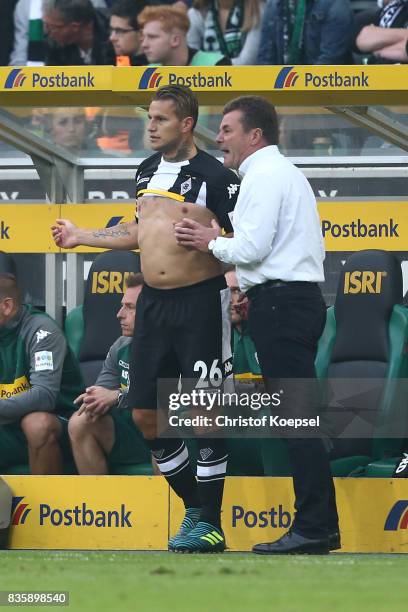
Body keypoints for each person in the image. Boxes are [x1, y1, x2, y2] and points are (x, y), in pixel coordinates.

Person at [51, 84, 240, 553]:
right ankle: (199, 510)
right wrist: (82, 236)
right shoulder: (145, 171)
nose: (150, 127)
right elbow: (138, 231)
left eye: (160, 119)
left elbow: (243, 241)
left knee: (204, 412)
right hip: (154, 303)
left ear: (187, 124)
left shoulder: (216, 177)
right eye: (149, 118)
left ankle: (207, 520)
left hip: (201, 300)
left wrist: (238, 287)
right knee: (144, 412)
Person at [174, 96, 339, 555]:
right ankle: (319, 524)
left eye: (226, 130)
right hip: (287, 301)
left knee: (297, 421)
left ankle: (314, 526)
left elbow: (250, 247)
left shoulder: (265, 176)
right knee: (298, 419)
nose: (218, 138)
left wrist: (211, 241)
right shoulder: (278, 174)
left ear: (254, 135)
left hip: (283, 304)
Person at [0, 270, 84, 474]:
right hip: (9, 426)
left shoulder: (42, 331)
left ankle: (48, 504)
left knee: (37, 424)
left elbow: (45, 396)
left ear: (7, 306)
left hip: (62, 425)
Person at [68, 273, 150, 474]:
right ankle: (100, 504)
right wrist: (94, 397)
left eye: (130, 307)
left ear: (153, 310)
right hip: (132, 433)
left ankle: (170, 504)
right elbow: (102, 394)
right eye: (123, 305)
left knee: (159, 419)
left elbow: (175, 400)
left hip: (168, 432)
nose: (119, 314)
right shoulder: (121, 346)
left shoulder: (178, 345)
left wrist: (118, 396)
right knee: (81, 421)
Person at [257, 0, 354, 65]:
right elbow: (265, 59)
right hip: (282, 86)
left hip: (325, 88)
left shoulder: (336, 4)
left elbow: (330, 62)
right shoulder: (274, 5)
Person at [138, 4, 231, 65]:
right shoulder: (149, 73)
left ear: (175, 40)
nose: (144, 45)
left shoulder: (216, 65)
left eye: (152, 37)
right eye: (144, 37)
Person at [187, 0, 265, 65]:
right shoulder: (196, 13)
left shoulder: (257, 10)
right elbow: (192, 62)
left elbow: (247, 62)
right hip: (207, 81)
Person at [43, 0, 110, 65]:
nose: (46, 32)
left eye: (52, 27)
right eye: (45, 25)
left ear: (75, 27)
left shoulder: (113, 37)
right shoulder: (53, 43)